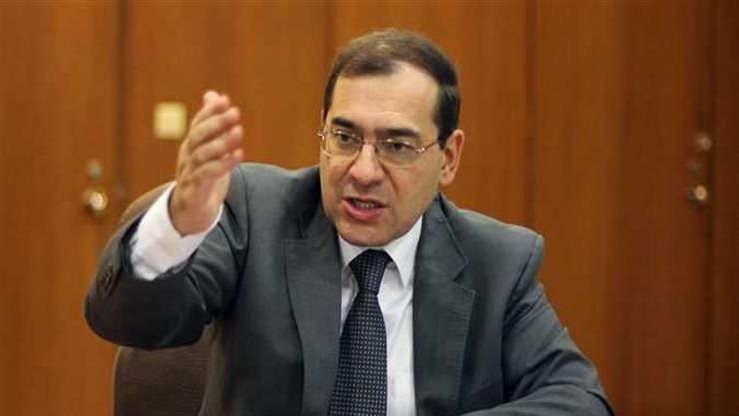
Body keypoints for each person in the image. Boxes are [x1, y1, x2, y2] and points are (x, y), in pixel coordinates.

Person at [86, 29, 612, 415]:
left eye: (397, 146)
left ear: (449, 158)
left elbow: (579, 401)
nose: (362, 171)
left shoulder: (497, 262)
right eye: (344, 138)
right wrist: (177, 228)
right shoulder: (256, 213)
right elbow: (126, 320)